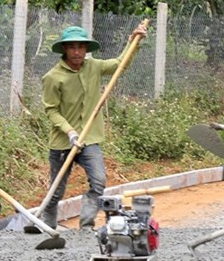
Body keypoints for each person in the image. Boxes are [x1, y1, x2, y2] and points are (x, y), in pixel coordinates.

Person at [41, 22, 148, 230]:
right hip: (64, 141)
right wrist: (70, 131)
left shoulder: (94, 67)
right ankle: (47, 227)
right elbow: (51, 110)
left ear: (86, 49)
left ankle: (86, 224)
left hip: (89, 138)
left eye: (81, 47)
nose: (77, 52)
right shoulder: (53, 77)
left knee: (98, 181)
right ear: (64, 49)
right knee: (56, 191)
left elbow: (120, 64)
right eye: (72, 47)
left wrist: (132, 42)